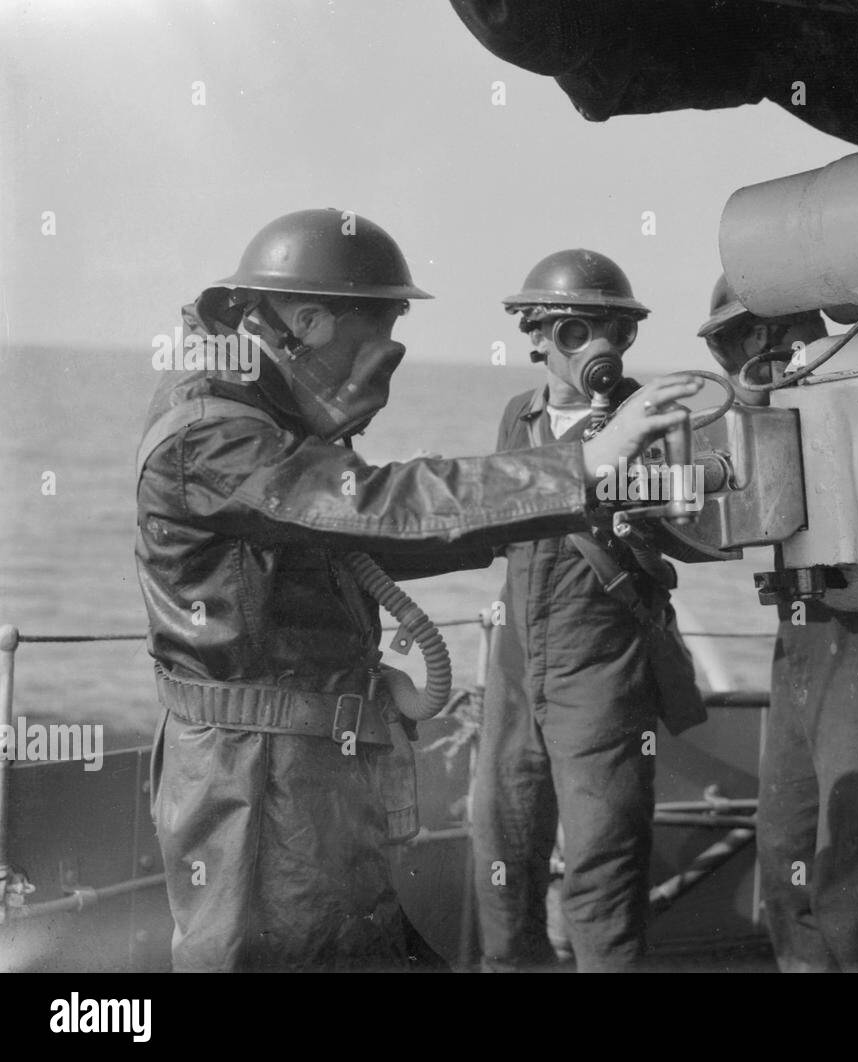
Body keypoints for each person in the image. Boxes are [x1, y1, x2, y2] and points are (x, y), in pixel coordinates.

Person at [136, 212, 699, 972]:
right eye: (380, 328)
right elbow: (368, 506)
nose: (384, 360)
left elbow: (346, 539)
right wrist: (581, 468)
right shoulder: (211, 435)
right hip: (253, 786)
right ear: (307, 319)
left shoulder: (262, 416)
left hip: (303, 773)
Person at [471, 249, 704, 972]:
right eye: (574, 332)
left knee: (603, 878)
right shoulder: (520, 417)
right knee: (502, 866)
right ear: (536, 337)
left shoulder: (654, 420)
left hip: (601, 672)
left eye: (613, 331)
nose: (596, 350)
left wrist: (660, 508)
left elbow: (699, 539)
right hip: (515, 668)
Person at [700, 275, 858, 971]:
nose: (756, 358)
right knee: (786, 863)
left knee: (854, 881)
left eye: (760, 339)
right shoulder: (768, 419)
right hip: (801, 640)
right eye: (741, 346)